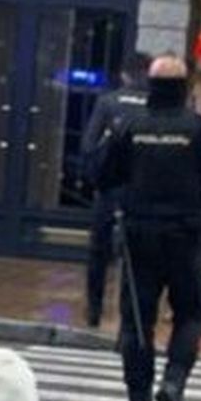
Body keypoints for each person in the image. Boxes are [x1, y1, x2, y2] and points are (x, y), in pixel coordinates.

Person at [96, 54, 201, 401]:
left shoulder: (129, 127)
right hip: (186, 235)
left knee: (138, 321)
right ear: (185, 88)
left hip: (139, 235)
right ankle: (173, 383)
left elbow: (101, 174)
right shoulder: (200, 129)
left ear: (150, 86)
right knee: (189, 314)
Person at [79, 54, 152, 328]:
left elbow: (88, 145)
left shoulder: (108, 102)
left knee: (99, 251)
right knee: (136, 255)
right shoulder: (155, 107)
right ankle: (128, 314)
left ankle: (95, 309)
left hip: (109, 189)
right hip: (141, 191)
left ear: (124, 75)